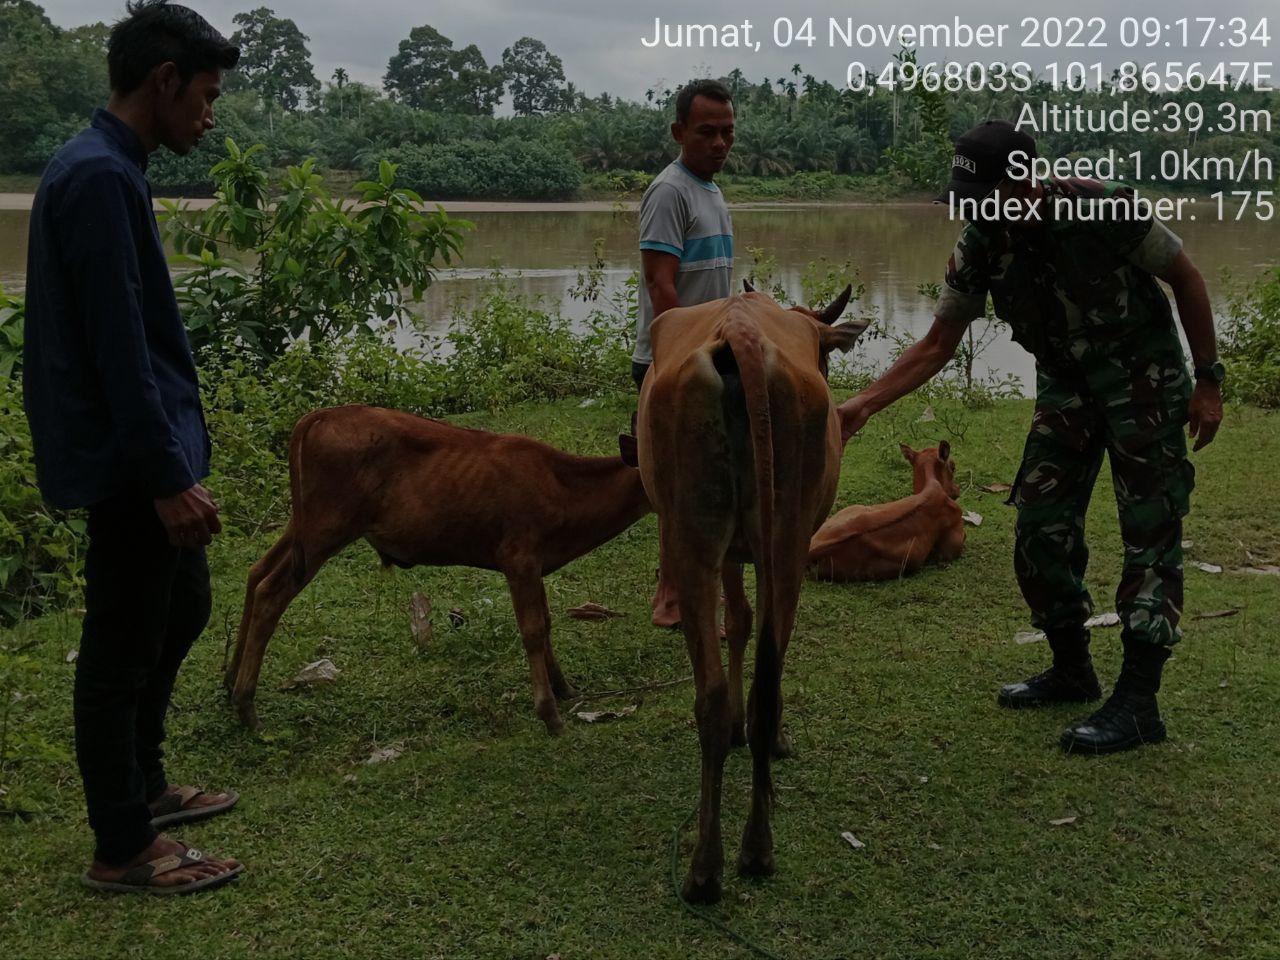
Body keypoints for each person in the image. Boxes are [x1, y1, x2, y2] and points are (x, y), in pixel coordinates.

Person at [838, 120, 1224, 754]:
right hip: (1067, 391)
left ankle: (1139, 702)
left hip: (1144, 386)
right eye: (966, 199)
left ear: (1023, 183)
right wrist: (861, 405)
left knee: (1150, 532)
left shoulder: (1103, 207)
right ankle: (1072, 668)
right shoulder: (980, 244)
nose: (973, 211)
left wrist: (1208, 379)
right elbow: (938, 342)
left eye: (984, 196)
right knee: (1040, 528)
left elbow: (1186, 277)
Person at [23, 0, 243, 893]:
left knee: (182, 603)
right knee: (119, 644)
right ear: (165, 80)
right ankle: (121, 844)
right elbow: (118, 350)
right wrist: (162, 477)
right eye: (206, 94)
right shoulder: (99, 178)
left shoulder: (110, 168)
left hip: (143, 452)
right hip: (126, 462)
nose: (210, 114)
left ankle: (145, 783)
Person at [633, 78, 736, 627]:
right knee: (680, 483)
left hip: (710, 356)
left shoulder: (711, 191)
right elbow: (661, 285)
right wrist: (683, 359)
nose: (720, 143)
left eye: (728, 132)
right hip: (675, 360)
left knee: (705, 477)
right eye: (707, 132)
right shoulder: (669, 192)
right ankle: (673, 596)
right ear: (679, 132)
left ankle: (687, 589)